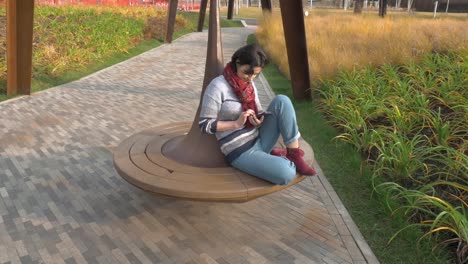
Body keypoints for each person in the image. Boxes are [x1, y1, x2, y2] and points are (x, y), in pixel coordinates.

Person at [199, 44, 316, 185]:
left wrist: (258, 118)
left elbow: (258, 110)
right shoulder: (218, 86)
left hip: (259, 138)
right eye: (247, 72)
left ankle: (293, 154)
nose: (250, 78)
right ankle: (279, 158)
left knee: (282, 100)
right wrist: (236, 123)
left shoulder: (249, 84)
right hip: (240, 151)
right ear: (237, 62)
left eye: (255, 74)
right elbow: (204, 125)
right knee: (287, 173)